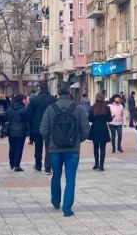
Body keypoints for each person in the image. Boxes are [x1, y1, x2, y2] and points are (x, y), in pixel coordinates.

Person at [40, 82, 90, 217]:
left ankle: (56, 201)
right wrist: (77, 140)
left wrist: (51, 141)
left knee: (56, 175)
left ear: (58, 91)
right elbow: (86, 129)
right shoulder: (78, 109)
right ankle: (67, 208)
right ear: (69, 92)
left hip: (55, 149)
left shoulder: (51, 108)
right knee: (70, 178)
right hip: (73, 149)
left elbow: (43, 129)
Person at [27, 81, 57, 174]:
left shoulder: (35, 100)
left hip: (37, 127)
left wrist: (31, 123)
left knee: (38, 147)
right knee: (49, 147)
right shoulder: (54, 100)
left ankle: (38, 165)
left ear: (40, 88)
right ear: (47, 88)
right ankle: (48, 168)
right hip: (50, 127)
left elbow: (28, 114)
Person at [89, 92, 112, 171]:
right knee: (103, 148)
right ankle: (101, 165)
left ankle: (96, 164)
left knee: (95, 147)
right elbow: (109, 119)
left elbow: (90, 119)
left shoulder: (92, 108)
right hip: (103, 129)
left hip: (95, 128)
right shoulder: (107, 108)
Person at [6, 94, 29, 171]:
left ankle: (11, 163)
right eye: (24, 99)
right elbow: (27, 118)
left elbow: (6, 117)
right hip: (21, 131)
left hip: (11, 131)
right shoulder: (23, 109)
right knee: (19, 148)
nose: (25, 100)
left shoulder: (9, 108)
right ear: (21, 100)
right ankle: (17, 165)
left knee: (12, 147)